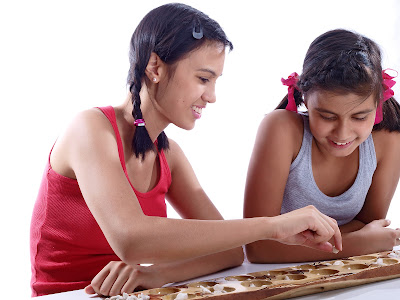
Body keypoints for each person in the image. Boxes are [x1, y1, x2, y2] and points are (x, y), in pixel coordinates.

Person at [30, 4, 342, 297]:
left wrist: (160, 273)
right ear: (155, 66)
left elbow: (230, 251)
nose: (212, 96)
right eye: (203, 79)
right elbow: (131, 239)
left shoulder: (170, 156)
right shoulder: (90, 129)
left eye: (216, 81)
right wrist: (271, 226)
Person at [244, 29, 400, 264]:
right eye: (327, 116)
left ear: (378, 103)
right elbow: (258, 247)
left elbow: (372, 226)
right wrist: (357, 243)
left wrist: (292, 241)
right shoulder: (281, 129)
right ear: (305, 98)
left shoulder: (389, 140)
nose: (342, 133)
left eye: (359, 117)